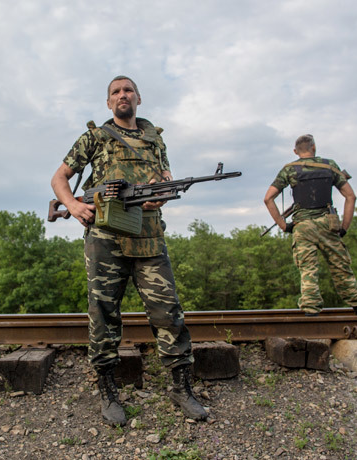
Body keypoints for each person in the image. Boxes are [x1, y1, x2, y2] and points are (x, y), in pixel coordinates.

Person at [51, 76, 207, 425]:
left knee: (169, 313)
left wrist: (159, 192)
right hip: (105, 238)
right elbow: (60, 178)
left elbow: (167, 179)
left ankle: (182, 388)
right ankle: (108, 393)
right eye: (115, 92)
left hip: (149, 236)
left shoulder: (155, 139)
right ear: (109, 102)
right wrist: (74, 206)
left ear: (139, 98)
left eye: (128, 91)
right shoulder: (95, 137)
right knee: (103, 315)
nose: (122, 96)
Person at [263, 134, 357, 317]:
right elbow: (351, 196)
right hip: (328, 223)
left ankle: (311, 312)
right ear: (314, 148)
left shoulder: (289, 170)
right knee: (341, 267)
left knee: (308, 270)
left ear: (295, 151)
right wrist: (344, 227)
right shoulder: (329, 165)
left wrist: (284, 225)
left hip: (302, 226)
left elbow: (268, 198)